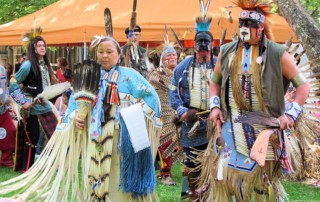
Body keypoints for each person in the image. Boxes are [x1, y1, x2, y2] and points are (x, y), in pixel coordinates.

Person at [0, 36, 162, 202]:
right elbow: (73, 106)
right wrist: (75, 116)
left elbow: (153, 101)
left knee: (117, 178)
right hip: (94, 137)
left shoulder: (130, 77)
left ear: (119, 55)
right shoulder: (88, 77)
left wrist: (130, 115)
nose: (104, 55)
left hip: (120, 140)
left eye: (109, 51)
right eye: (100, 52)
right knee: (94, 175)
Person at [206, 1, 311, 201]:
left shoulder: (277, 54)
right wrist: (214, 107)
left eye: (250, 24)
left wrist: (290, 114)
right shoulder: (227, 52)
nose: (244, 28)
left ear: (261, 27)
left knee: (263, 185)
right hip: (232, 126)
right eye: (242, 22)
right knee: (226, 179)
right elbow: (214, 83)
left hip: (265, 129)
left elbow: (304, 87)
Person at [168, 3, 216, 199]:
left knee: (216, 165)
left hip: (216, 124)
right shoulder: (183, 67)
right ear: (194, 44)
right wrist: (182, 112)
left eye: (207, 43)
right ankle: (190, 197)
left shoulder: (221, 65)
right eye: (200, 43)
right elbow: (173, 93)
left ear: (212, 45)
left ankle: (212, 197)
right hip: (191, 123)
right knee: (191, 164)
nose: (203, 48)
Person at [8, 34, 58, 172]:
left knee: (56, 133)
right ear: (34, 48)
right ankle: (27, 168)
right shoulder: (28, 64)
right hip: (30, 106)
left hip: (44, 104)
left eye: (44, 45)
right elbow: (12, 84)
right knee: (33, 137)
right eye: (39, 46)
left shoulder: (45, 65)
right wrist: (22, 101)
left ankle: (55, 166)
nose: (43, 48)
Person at [149, 38, 179, 186]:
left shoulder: (182, 72)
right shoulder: (157, 74)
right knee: (166, 143)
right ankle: (164, 173)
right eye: (169, 56)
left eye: (174, 55)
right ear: (162, 60)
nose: (172, 57)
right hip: (164, 115)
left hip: (180, 112)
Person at [0, 65, 16, 167]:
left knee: (10, 131)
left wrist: (6, 99)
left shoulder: (1, 68)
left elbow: (4, 88)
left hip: (2, 110)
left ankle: (6, 160)